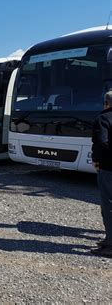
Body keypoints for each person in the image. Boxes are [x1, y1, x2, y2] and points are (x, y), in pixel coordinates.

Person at [91, 91, 112, 258]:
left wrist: (97, 160)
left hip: (109, 169)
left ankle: (110, 245)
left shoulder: (103, 119)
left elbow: (101, 143)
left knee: (109, 206)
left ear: (106, 103)